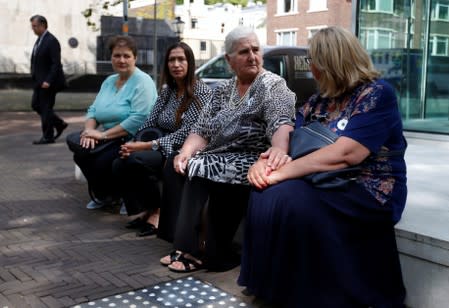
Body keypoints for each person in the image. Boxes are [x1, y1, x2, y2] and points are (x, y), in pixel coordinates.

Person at [238, 26, 408, 307]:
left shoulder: (377, 94)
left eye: (314, 61)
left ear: (331, 63)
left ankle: (310, 294)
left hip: (368, 187)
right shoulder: (322, 99)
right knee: (264, 191)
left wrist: (280, 172)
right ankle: (273, 285)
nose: (311, 68)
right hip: (329, 180)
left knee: (286, 196)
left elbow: (347, 155)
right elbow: (288, 126)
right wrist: (270, 158)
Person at [159, 26, 296, 273]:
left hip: (253, 157)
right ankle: (186, 243)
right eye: (244, 52)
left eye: (256, 50)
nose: (252, 56)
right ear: (229, 60)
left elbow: (281, 121)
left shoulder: (273, 85)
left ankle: (192, 248)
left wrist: (278, 148)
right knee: (177, 163)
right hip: (220, 155)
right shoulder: (223, 89)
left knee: (200, 166)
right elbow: (201, 129)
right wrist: (186, 151)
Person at [111, 42, 212, 237]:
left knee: (136, 161)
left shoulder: (201, 92)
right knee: (119, 162)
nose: (176, 64)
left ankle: (157, 212)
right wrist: (133, 143)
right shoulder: (167, 91)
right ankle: (143, 210)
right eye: (171, 60)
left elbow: (188, 133)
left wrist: (146, 146)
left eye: (181, 59)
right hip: (156, 145)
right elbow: (149, 122)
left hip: (182, 149)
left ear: (190, 63)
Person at [69, 35, 157, 210]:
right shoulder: (109, 81)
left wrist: (101, 135)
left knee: (96, 158)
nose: (121, 60)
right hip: (107, 137)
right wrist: (88, 131)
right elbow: (93, 110)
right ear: (111, 58)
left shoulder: (143, 81)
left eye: (126, 56)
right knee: (78, 147)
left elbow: (138, 119)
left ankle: (123, 195)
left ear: (135, 58)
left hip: (130, 138)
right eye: (117, 55)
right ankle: (105, 195)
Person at [29, 15, 68, 145]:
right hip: (39, 81)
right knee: (36, 105)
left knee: (45, 108)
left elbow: (55, 63)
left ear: (43, 25)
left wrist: (48, 80)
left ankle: (48, 136)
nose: (32, 29)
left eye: (34, 26)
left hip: (48, 83)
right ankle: (59, 123)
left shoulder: (51, 41)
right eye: (32, 26)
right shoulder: (40, 40)